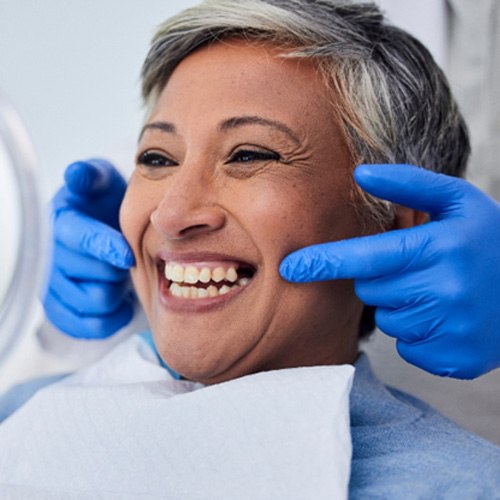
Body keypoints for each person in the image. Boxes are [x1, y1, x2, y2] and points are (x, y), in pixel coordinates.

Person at [5, 0, 499, 496]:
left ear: (393, 223)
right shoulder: (19, 415)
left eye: (250, 154)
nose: (170, 216)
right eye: (156, 158)